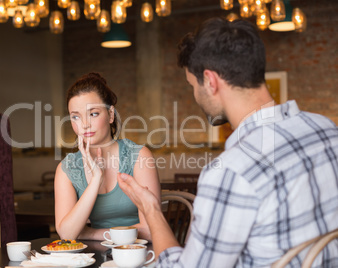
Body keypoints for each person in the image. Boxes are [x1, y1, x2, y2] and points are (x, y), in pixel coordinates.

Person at [117, 18, 338, 267]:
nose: (195, 95)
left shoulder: (232, 171)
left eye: (193, 85)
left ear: (210, 82)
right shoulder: (326, 130)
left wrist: (151, 210)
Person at [55, 72, 161, 241]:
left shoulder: (139, 156)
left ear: (111, 115)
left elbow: (151, 229)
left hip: (139, 255)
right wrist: (96, 178)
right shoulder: (66, 169)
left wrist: (89, 234)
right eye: (76, 117)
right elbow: (67, 234)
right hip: (93, 260)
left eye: (93, 113)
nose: (84, 124)